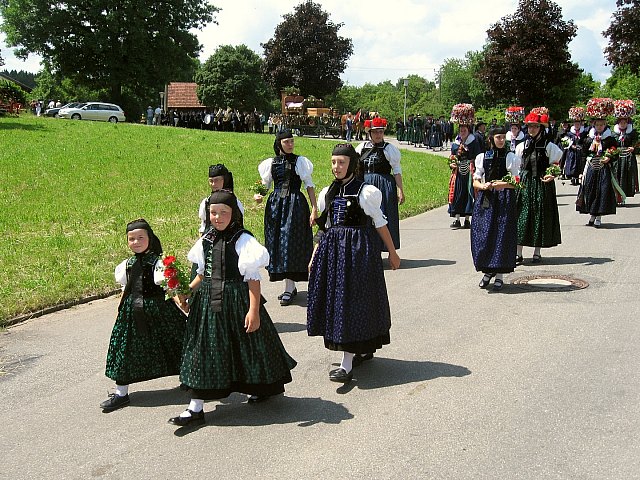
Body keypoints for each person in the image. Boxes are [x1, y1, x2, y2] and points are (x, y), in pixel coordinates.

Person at [169, 190, 296, 427]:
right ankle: (195, 407)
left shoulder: (243, 240)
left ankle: (260, 387)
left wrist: (254, 311)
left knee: (247, 347)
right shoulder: (205, 240)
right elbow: (201, 274)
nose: (217, 217)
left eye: (223, 213)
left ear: (233, 213)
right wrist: (186, 291)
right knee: (203, 350)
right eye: (213, 213)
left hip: (236, 300)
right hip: (207, 303)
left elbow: (253, 279)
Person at [307, 144, 400, 383]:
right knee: (341, 301)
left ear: (352, 164)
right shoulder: (328, 192)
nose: (336, 167)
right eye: (333, 162)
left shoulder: (366, 192)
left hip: (359, 252)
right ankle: (359, 349)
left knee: (356, 300)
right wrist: (315, 254)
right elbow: (324, 227)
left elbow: (380, 223)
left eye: (341, 162)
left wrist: (392, 252)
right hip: (334, 252)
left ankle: (346, 363)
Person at [101, 219, 186, 412]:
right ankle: (121, 393)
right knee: (125, 350)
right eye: (131, 239)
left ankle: (188, 377)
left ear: (150, 238)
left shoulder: (159, 263)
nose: (136, 242)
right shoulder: (126, 265)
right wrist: (120, 310)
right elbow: (125, 289)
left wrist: (183, 303)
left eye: (140, 238)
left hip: (158, 309)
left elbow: (169, 287)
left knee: (177, 340)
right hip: (132, 312)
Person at [257, 130, 317, 305]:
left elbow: (309, 185)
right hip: (275, 206)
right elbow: (265, 185)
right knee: (277, 244)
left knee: (290, 243)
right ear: (279, 144)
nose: (290, 145)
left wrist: (314, 208)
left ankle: (289, 287)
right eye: (287, 142)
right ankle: (289, 285)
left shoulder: (300, 162)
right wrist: (259, 195)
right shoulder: (271, 163)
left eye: (292, 141)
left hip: (295, 205)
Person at [471, 127, 519, 291]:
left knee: (502, 235)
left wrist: (501, 184)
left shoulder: (510, 157)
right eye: (498, 137)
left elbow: (516, 181)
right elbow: (475, 180)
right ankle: (488, 270)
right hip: (487, 198)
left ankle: (499, 274)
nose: (501, 140)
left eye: (502, 138)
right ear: (491, 139)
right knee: (484, 234)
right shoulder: (483, 157)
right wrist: (482, 185)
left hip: (504, 199)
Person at [515, 108, 563, 263]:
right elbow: (517, 166)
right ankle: (518, 252)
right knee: (522, 214)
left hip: (542, 183)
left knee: (539, 214)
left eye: (535, 126)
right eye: (529, 126)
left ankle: (537, 251)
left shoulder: (549, 146)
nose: (532, 129)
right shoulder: (522, 146)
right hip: (525, 182)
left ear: (541, 128)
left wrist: (553, 174)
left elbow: (556, 165)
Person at [355, 117, 405, 250]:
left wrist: (401, 190)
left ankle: (386, 248)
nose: (378, 135)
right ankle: (368, 248)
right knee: (366, 217)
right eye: (375, 132)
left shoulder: (389, 149)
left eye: (381, 132)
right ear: (369, 133)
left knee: (383, 216)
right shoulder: (361, 148)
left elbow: (397, 171)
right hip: (364, 185)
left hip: (383, 186)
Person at [576, 98, 619, 227]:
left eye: (602, 125)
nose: (599, 127)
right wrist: (580, 172)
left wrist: (609, 158)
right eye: (597, 125)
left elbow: (615, 153)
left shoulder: (610, 139)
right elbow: (583, 155)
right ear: (594, 125)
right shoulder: (589, 139)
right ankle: (592, 215)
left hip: (603, 168)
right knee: (590, 190)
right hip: (590, 168)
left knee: (602, 191)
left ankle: (599, 216)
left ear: (605, 124)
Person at [449, 104, 481, 229]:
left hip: (469, 170)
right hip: (458, 171)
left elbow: (478, 157)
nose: (462, 132)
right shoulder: (455, 143)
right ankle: (457, 219)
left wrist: (474, 167)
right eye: (461, 130)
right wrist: (452, 163)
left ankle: (467, 219)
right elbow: (451, 156)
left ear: (468, 130)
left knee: (468, 193)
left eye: (464, 130)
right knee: (457, 192)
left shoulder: (473, 141)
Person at [198, 164, 244, 236]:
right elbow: (203, 226)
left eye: (216, 180)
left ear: (225, 180)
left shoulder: (235, 202)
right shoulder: (206, 202)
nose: (213, 184)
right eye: (211, 181)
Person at [612, 100, 638, 204]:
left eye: (624, 122)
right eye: (621, 122)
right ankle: (617, 196)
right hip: (617, 158)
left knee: (626, 177)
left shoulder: (632, 133)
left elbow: (637, 143)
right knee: (616, 176)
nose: (623, 124)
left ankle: (623, 197)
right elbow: (610, 145)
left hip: (628, 158)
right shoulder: (614, 134)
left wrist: (633, 148)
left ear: (627, 123)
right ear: (618, 123)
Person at [563, 107, 587, 186]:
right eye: (575, 124)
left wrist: (581, 146)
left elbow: (586, 141)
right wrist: (571, 146)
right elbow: (566, 142)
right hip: (572, 152)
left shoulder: (584, 132)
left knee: (580, 165)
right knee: (572, 164)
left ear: (580, 124)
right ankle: (573, 177)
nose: (577, 125)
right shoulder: (570, 133)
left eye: (578, 124)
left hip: (580, 151)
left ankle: (578, 177)